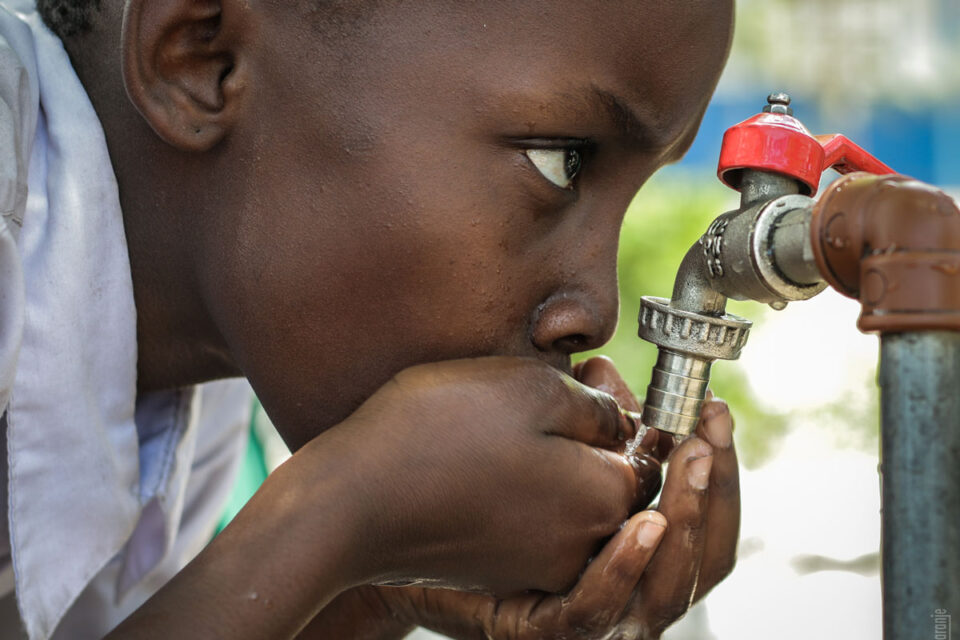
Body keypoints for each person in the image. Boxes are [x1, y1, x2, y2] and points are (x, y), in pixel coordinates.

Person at [0, 0, 740, 638]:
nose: (595, 314)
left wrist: (376, 588)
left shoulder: (198, 379)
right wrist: (339, 515)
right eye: (560, 162)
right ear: (204, 60)